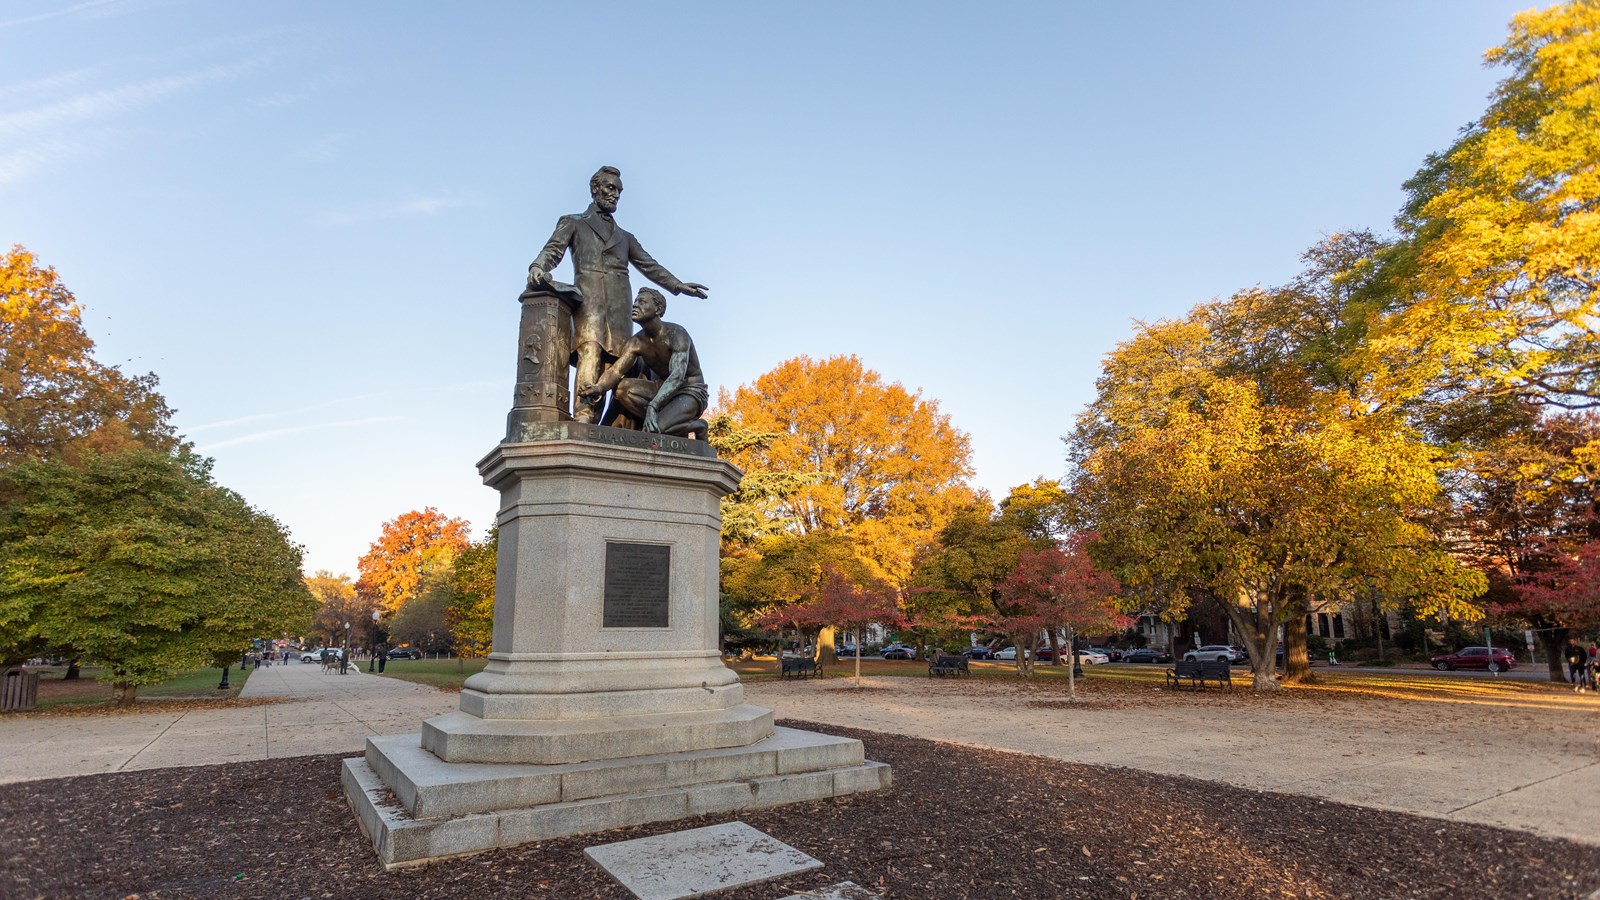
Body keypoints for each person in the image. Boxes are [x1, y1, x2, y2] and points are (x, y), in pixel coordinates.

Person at [528, 166, 709, 424]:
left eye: (619, 191)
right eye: (610, 188)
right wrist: (538, 267)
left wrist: (677, 285)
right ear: (595, 189)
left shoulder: (626, 237)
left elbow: (649, 265)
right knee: (589, 351)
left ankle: (614, 423)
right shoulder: (574, 222)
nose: (615, 195)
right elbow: (553, 250)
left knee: (617, 363)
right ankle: (584, 415)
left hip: (621, 306)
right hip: (589, 304)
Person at [577, 289, 708, 437]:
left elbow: (677, 376)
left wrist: (653, 404)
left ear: (658, 309)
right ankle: (662, 419)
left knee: (659, 428)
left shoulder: (677, 334)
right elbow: (616, 372)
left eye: (642, 302)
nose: (635, 306)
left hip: (689, 391)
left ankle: (698, 426)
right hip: (661, 389)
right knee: (621, 389)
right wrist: (598, 388)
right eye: (635, 302)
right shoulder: (636, 342)